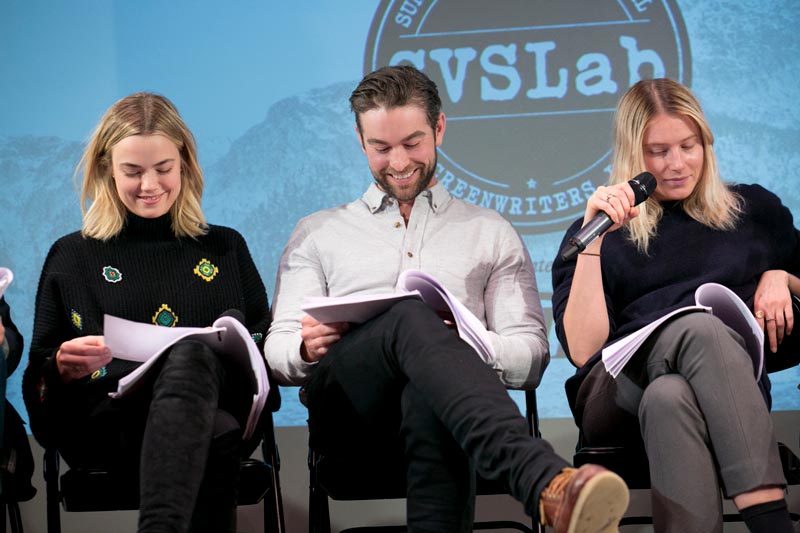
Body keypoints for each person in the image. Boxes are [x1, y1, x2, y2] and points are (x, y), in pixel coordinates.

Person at [265, 64, 629, 533]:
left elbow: (532, 358)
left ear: (439, 127)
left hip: (454, 416)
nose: (397, 161)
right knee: (409, 317)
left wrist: (461, 344)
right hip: (351, 419)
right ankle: (543, 481)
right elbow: (275, 354)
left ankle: (543, 483)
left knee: (430, 387)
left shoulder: (490, 232)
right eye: (380, 148)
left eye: (412, 143)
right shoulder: (316, 233)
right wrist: (304, 346)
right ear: (360, 140)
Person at [552, 78, 799, 533]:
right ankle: (772, 524)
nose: (677, 164)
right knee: (701, 328)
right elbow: (584, 351)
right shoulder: (594, 231)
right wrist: (594, 243)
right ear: (632, 155)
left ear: (706, 141)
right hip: (616, 397)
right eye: (657, 151)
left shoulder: (755, 212)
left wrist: (782, 275)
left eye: (689, 145)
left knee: (671, 397)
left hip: (722, 395)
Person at [22, 93, 274, 533]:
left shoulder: (226, 247)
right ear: (106, 169)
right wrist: (60, 370)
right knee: (213, 431)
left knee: (194, 364)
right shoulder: (72, 256)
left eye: (164, 169)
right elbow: (37, 388)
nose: (150, 185)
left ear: (186, 165)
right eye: (133, 172)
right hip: (110, 429)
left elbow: (264, 354)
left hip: (220, 409)